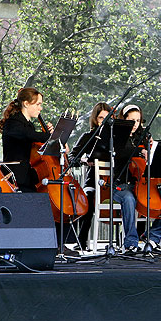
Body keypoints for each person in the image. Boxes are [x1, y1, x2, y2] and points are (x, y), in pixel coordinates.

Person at [0, 88, 79, 254]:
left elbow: (35, 141)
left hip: (29, 175)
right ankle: (48, 245)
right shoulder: (14, 122)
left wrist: (50, 137)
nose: (40, 108)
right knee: (44, 203)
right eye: (38, 104)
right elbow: (27, 135)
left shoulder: (27, 123)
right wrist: (51, 136)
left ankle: (56, 244)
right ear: (26, 103)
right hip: (16, 176)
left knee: (50, 202)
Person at [121, 104, 161, 253]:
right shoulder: (117, 137)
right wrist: (139, 150)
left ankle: (152, 237)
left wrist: (152, 150)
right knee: (129, 199)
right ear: (124, 120)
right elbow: (121, 152)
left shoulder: (143, 136)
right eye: (131, 120)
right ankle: (131, 242)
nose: (135, 124)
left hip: (144, 184)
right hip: (122, 184)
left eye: (138, 121)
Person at [72, 102, 113, 251]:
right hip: (94, 181)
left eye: (107, 117)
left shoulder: (118, 139)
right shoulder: (89, 137)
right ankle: (81, 241)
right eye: (101, 117)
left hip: (115, 182)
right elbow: (72, 157)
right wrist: (84, 160)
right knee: (87, 198)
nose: (104, 121)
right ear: (95, 119)